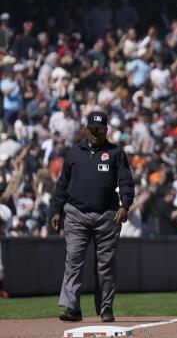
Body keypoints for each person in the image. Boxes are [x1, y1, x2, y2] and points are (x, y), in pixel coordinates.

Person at [48, 111, 135, 322]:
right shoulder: (74, 153)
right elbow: (62, 183)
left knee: (105, 265)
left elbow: (126, 181)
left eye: (100, 129)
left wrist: (125, 204)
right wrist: (56, 209)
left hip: (108, 215)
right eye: (92, 129)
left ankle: (105, 309)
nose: (96, 133)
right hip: (76, 214)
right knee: (74, 261)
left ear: (106, 130)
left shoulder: (116, 152)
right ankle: (72, 308)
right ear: (86, 130)